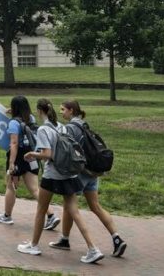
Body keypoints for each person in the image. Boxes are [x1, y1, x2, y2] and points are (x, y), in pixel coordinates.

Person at [17, 98, 104, 264]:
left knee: (41, 210)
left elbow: (47, 154)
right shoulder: (61, 126)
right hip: (69, 174)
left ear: (39, 110)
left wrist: (32, 155)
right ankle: (93, 248)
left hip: (52, 175)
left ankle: (34, 245)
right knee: (75, 212)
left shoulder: (43, 129)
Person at [52, 100, 127, 258]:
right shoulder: (84, 125)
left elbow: (67, 151)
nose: (61, 112)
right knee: (95, 207)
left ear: (71, 110)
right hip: (93, 173)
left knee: (69, 205)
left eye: (63, 109)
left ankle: (66, 240)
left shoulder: (71, 128)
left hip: (80, 173)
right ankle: (117, 238)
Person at [0, 95, 59, 229]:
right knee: (35, 189)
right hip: (31, 156)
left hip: (18, 158)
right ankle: (51, 215)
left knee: (11, 185)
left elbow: (14, 143)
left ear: (14, 108)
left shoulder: (13, 123)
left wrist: (12, 163)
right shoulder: (31, 119)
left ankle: (7, 216)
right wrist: (12, 110)